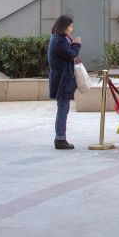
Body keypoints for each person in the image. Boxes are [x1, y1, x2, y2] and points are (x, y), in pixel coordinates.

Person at [48, 15, 82, 150]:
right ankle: (60, 138)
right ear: (64, 26)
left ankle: (60, 137)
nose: (72, 29)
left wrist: (73, 45)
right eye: (71, 26)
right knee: (63, 109)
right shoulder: (59, 41)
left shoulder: (59, 39)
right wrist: (77, 45)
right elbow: (70, 54)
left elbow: (69, 54)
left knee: (63, 108)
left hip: (62, 78)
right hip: (62, 80)